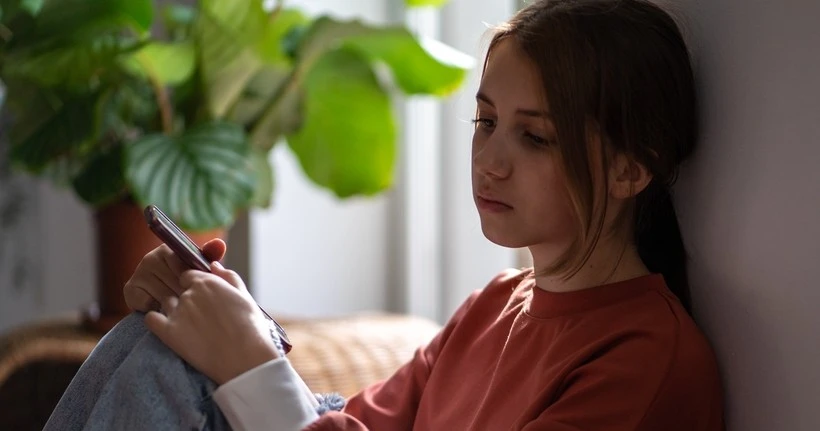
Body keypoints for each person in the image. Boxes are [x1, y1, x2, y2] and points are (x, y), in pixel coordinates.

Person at [44, 0, 725, 429]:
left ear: (630, 168)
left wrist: (252, 362)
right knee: (161, 336)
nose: (489, 159)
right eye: (485, 121)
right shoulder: (492, 306)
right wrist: (219, 323)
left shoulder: (644, 361)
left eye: (535, 136)